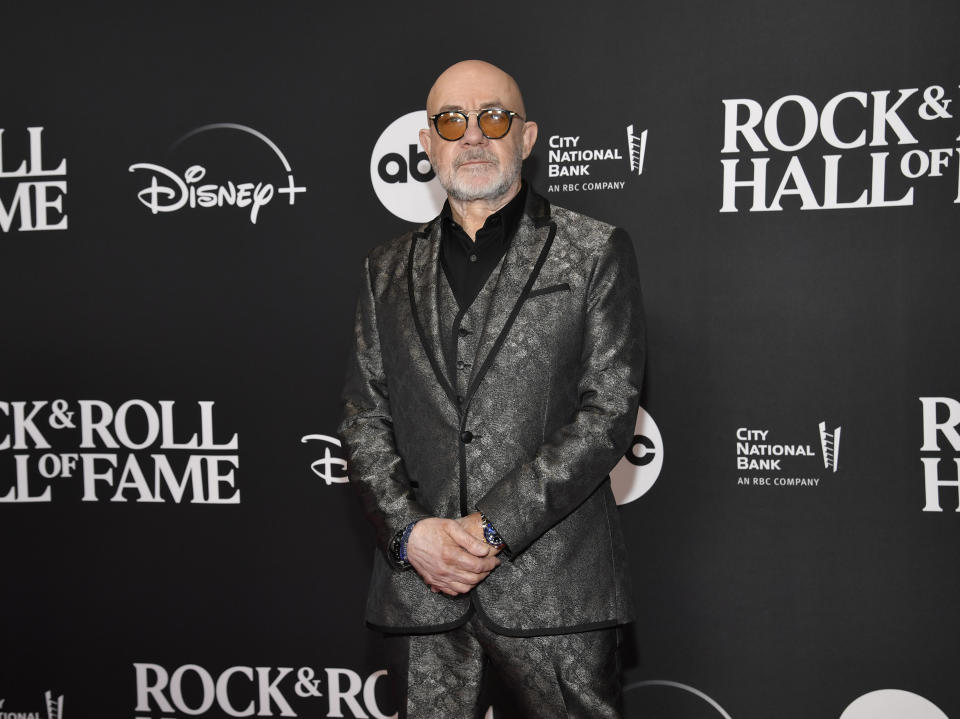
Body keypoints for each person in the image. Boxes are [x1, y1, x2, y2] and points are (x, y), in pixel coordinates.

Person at [338, 59, 645, 718]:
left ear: (526, 137)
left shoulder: (593, 252)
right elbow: (364, 419)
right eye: (451, 121)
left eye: (493, 117)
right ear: (427, 145)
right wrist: (411, 534)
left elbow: (610, 410)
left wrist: (493, 528)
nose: (471, 135)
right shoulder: (384, 270)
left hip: (558, 594)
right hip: (424, 593)